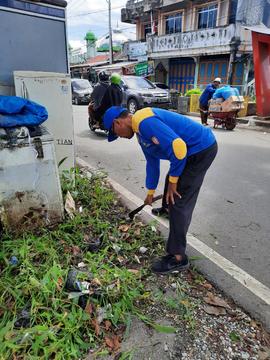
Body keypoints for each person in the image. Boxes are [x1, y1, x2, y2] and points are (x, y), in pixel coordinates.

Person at [103, 106, 218, 274]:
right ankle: (166, 208)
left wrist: (173, 182)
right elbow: (152, 162)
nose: (119, 136)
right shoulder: (140, 133)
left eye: (115, 132)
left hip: (200, 149)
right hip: (190, 151)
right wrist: (150, 192)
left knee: (178, 199)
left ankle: (178, 257)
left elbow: (178, 148)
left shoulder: (144, 122)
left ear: (117, 122)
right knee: (171, 179)